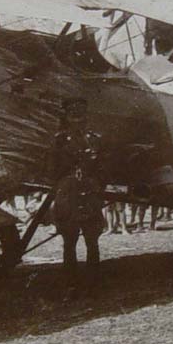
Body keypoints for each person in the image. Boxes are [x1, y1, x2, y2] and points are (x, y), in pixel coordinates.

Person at [48, 97, 106, 283]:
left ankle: (93, 280)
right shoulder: (59, 140)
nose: (77, 115)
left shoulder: (95, 139)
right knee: (69, 239)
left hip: (89, 191)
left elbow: (103, 168)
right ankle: (70, 280)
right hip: (68, 192)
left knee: (92, 238)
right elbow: (52, 169)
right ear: (66, 115)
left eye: (80, 111)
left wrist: (96, 185)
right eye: (73, 111)